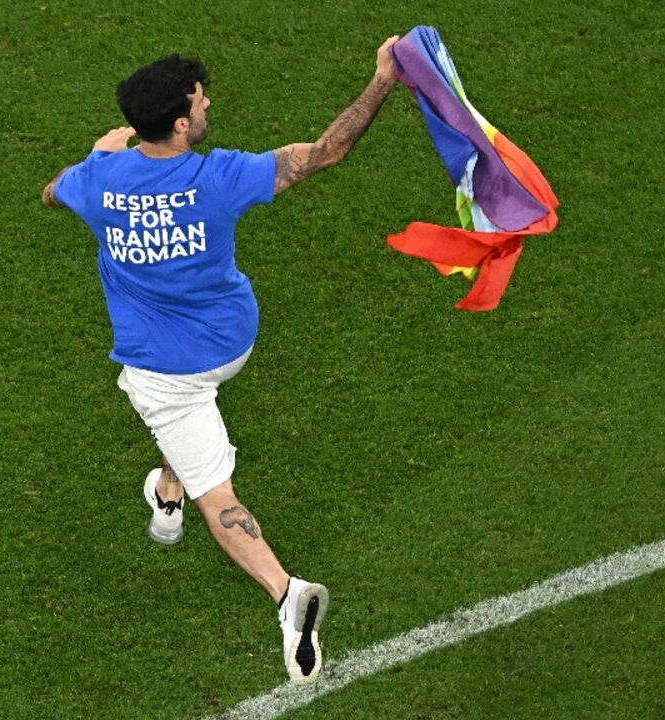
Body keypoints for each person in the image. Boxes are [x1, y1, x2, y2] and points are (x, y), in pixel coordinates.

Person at [42, 36, 400, 684]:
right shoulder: (218, 178)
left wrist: (103, 154)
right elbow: (327, 151)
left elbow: (52, 193)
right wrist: (383, 79)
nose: (208, 106)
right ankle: (195, 516)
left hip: (168, 371)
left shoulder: (97, 180)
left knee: (210, 478)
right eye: (200, 102)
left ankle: (277, 584)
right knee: (198, 458)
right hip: (227, 346)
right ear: (180, 124)